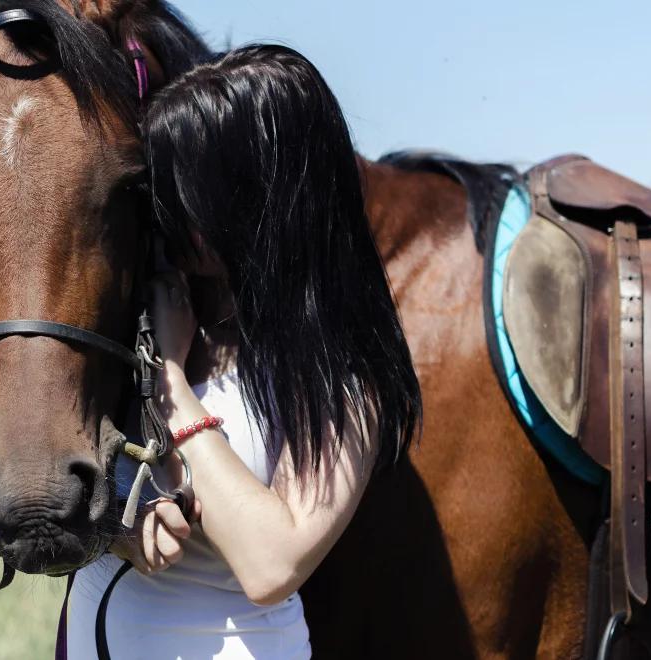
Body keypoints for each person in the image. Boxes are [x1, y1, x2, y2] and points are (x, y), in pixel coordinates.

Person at [63, 44, 423, 658]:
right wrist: (114, 527)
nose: (167, 215)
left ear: (266, 202)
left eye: (189, 194)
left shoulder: (346, 375)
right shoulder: (140, 313)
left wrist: (171, 385)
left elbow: (268, 565)